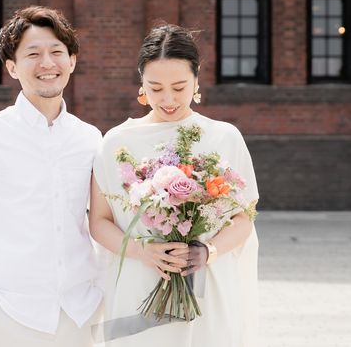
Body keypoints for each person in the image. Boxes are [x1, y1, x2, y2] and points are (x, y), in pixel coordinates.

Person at [0, 6, 103, 347]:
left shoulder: (90, 138)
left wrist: (102, 293)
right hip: (12, 316)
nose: (47, 63)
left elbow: (101, 221)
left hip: (81, 313)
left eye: (56, 52)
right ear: (12, 67)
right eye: (33, 54)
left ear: (72, 61)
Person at [89, 24, 259, 347]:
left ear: (197, 80)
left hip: (208, 285)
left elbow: (244, 217)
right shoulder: (115, 142)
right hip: (139, 282)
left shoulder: (225, 137)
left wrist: (208, 251)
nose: (168, 99)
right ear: (141, 84)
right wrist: (143, 251)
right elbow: (99, 222)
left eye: (179, 87)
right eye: (155, 88)